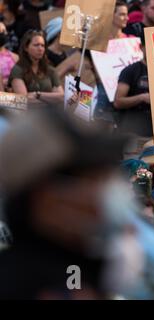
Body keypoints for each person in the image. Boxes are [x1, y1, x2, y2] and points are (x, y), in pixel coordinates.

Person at [0, 108, 141, 299]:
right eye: (97, 179)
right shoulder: (31, 288)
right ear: (46, 197)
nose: (112, 191)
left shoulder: (80, 274)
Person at [9, 29, 63, 107]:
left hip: (50, 115)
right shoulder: (17, 69)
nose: (40, 49)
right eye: (36, 45)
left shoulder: (50, 70)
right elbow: (23, 100)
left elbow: (61, 97)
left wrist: (37, 95)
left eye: (42, 45)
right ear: (26, 48)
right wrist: (51, 99)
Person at [114, 33, 152, 137]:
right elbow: (118, 101)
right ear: (141, 47)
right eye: (150, 45)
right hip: (133, 131)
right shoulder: (130, 71)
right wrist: (142, 98)